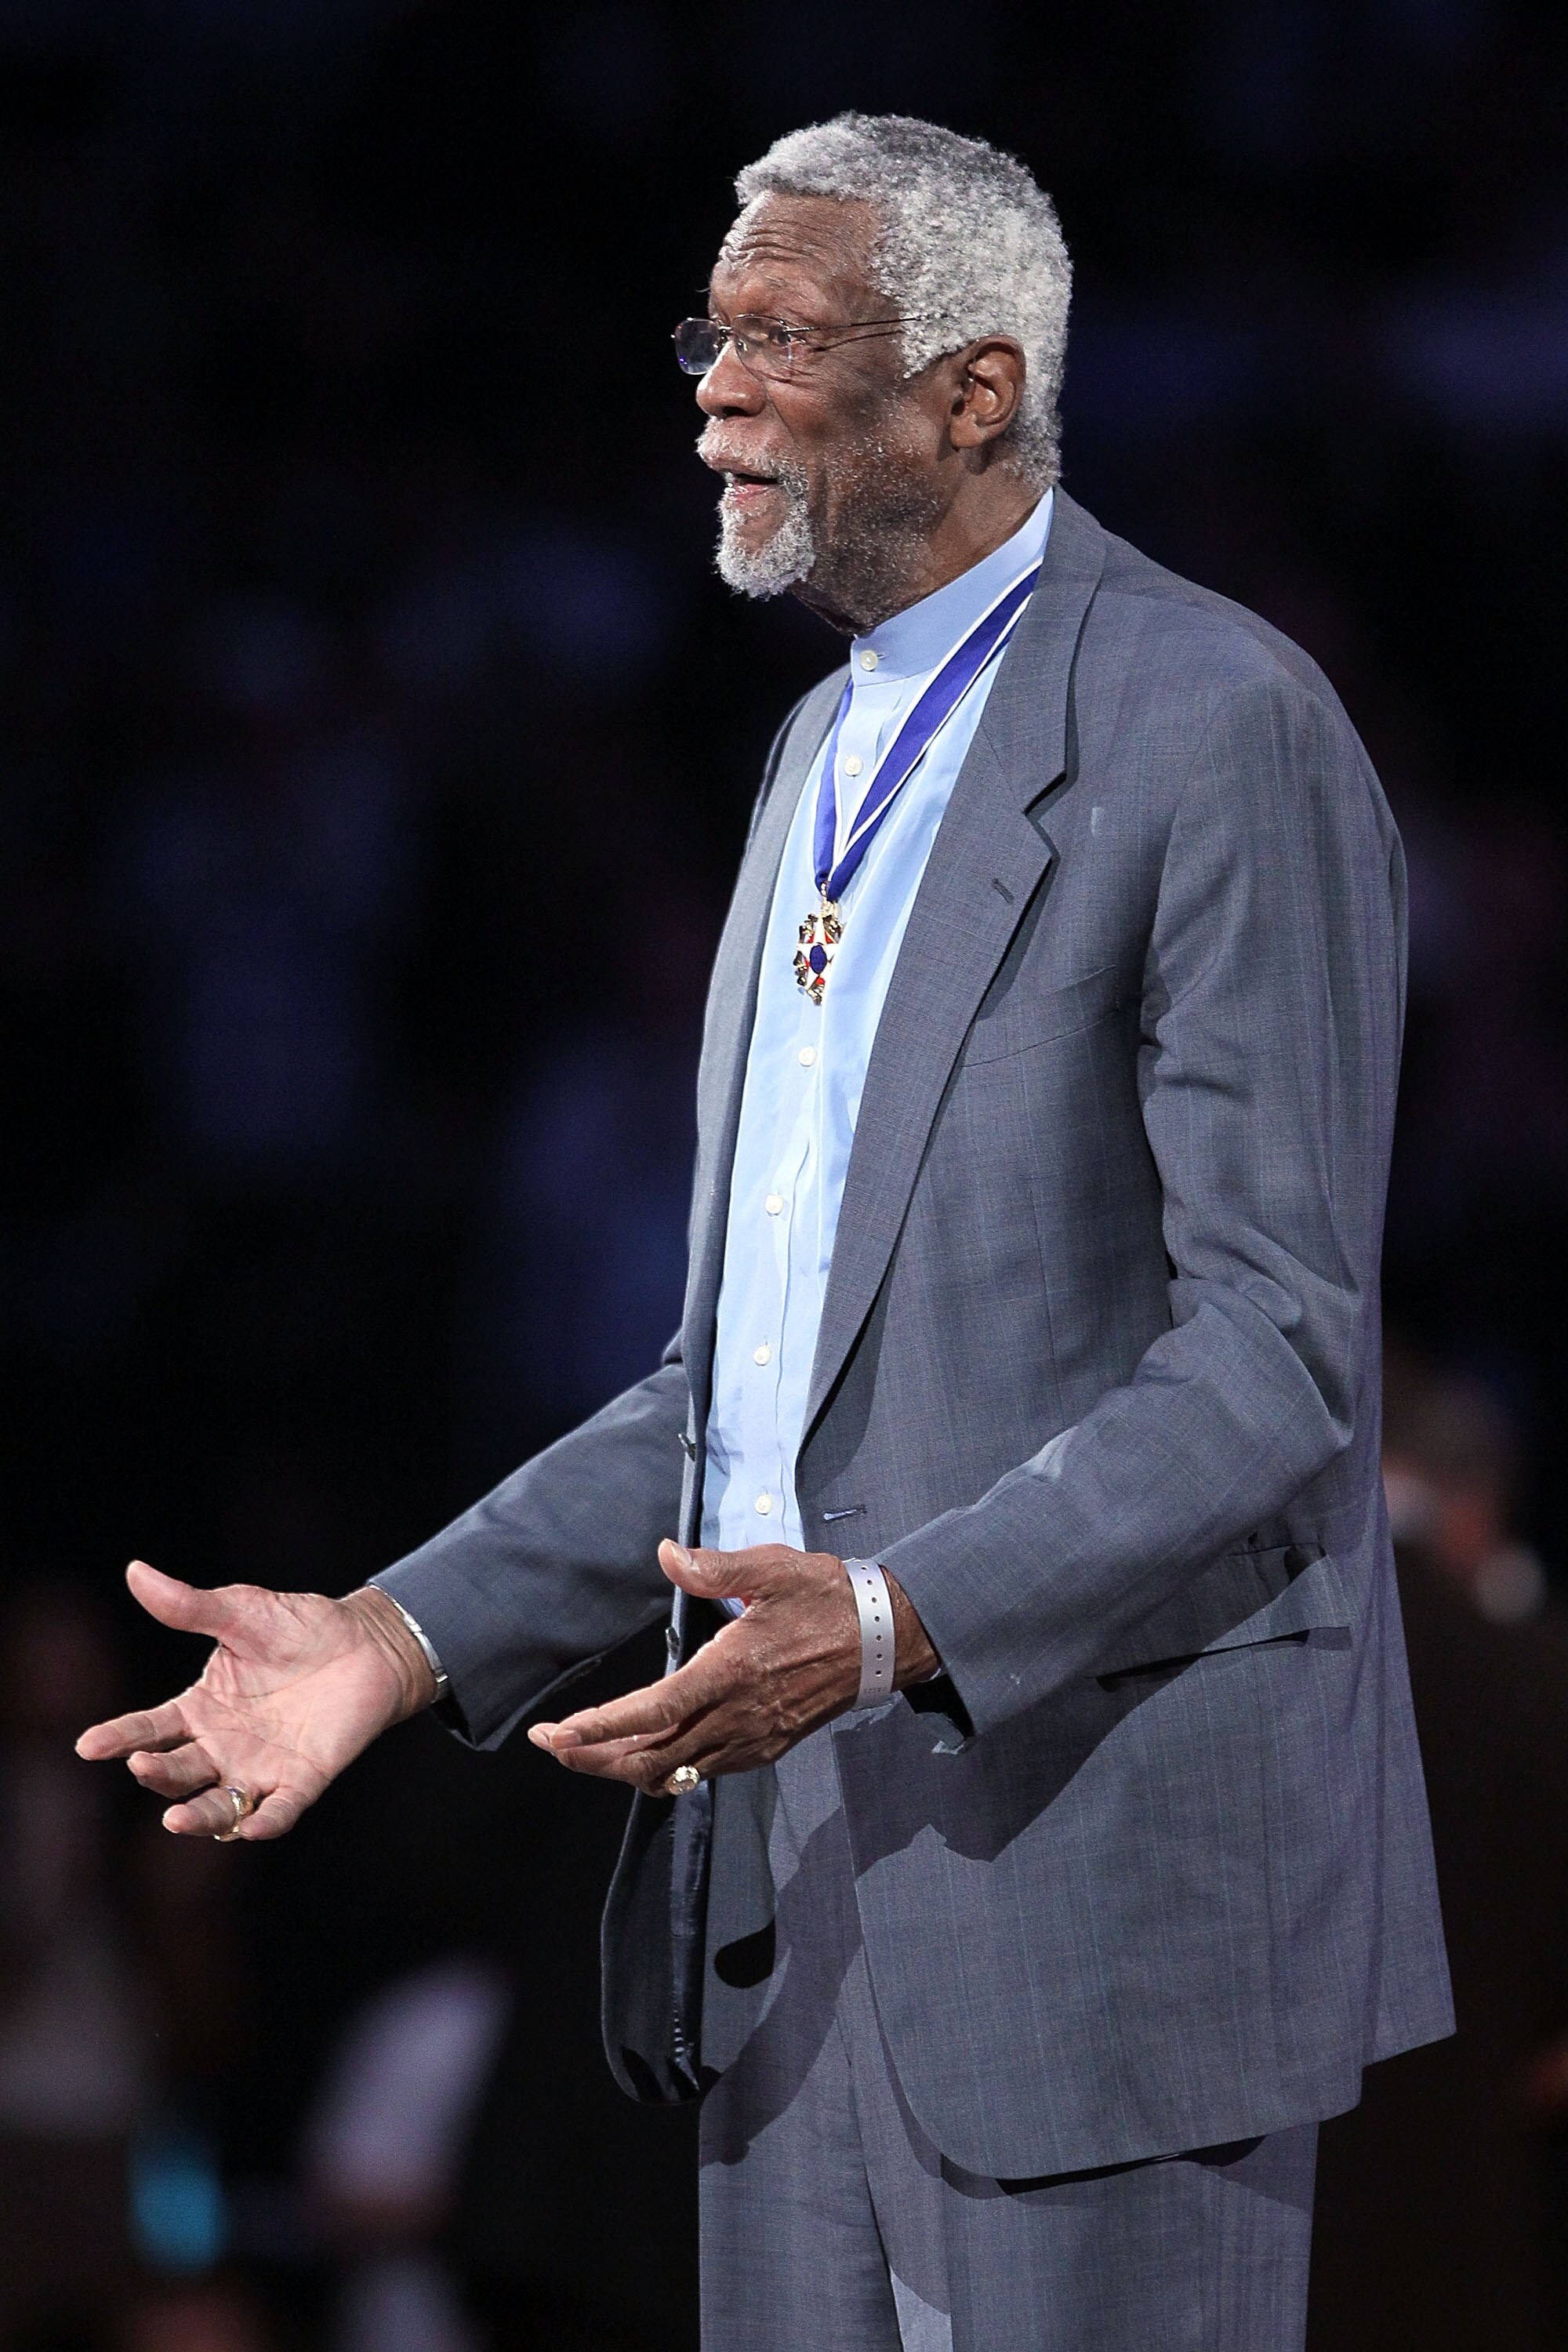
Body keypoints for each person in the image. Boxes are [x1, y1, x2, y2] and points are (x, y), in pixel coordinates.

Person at [78, 113, 1453, 2351]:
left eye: (784, 336)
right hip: (789, 1902)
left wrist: (902, 1615)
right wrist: (397, 1639)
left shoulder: (1222, 728)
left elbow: (1282, 1350)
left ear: (972, 390)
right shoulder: (815, 752)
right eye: (708, 335)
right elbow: (729, 1393)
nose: (713, 389)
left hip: (1097, 1912)